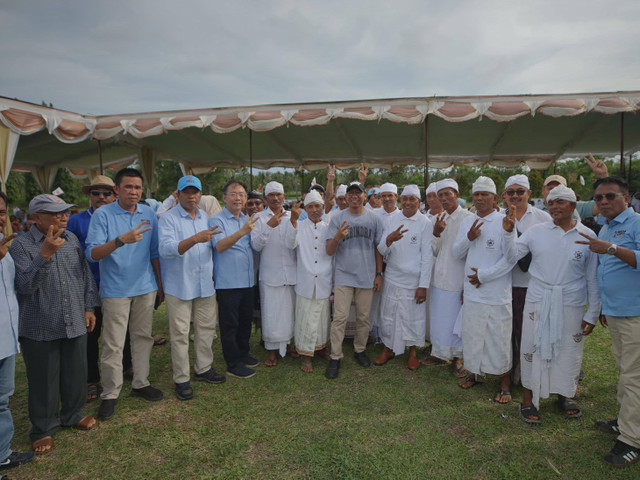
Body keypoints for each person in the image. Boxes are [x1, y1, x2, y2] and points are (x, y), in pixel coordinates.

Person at [10, 194, 99, 453]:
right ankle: (43, 428)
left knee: (75, 373)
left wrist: (88, 307)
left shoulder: (71, 240)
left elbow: (84, 276)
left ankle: (72, 414)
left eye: (66, 212)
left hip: (74, 318)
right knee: (43, 380)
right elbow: (25, 287)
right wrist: (45, 255)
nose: (63, 217)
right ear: (35, 217)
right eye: (55, 213)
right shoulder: (22, 245)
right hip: (40, 324)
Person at [513, 185, 600, 424]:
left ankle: (565, 394)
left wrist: (592, 312)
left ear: (573, 206)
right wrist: (507, 232)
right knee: (531, 348)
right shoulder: (536, 232)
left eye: (560, 202)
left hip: (571, 300)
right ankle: (528, 399)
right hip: (539, 298)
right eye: (550, 202)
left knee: (568, 349)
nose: (554, 207)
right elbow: (511, 255)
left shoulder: (587, 236)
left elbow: (592, 276)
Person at [86, 167, 164, 421]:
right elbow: (92, 253)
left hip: (145, 287)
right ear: (116, 190)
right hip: (115, 289)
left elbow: (154, 253)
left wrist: (160, 285)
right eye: (128, 187)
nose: (133, 191)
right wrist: (120, 240)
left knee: (142, 338)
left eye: (137, 187)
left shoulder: (149, 213)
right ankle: (110, 393)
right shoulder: (103, 214)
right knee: (113, 343)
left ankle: (140, 383)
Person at [575, 176, 640, 468]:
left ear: (626, 198)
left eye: (610, 196)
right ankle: (626, 420)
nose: (603, 202)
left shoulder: (636, 224)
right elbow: (604, 272)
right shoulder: (606, 227)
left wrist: (612, 249)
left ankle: (631, 440)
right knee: (625, 370)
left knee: (634, 376)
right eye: (598, 197)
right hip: (616, 312)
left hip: (635, 313)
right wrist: (602, 307)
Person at [159, 175, 225, 400]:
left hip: (205, 284)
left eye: (195, 192)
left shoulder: (205, 216)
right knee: (180, 334)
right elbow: (166, 249)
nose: (191, 196)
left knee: (206, 330)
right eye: (186, 192)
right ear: (177, 194)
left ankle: (204, 368)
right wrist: (195, 239)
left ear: (200, 194)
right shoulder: (168, 219)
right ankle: (181, 379)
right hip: (179, 286)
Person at [66, 174, 131, 403]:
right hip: (89, 284)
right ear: (89, 196)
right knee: (92, 335)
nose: (101, 197)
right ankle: (91, 379)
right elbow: (71, 253)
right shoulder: (76, 221)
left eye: (106, 193)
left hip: (119, 283)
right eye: (96, 193)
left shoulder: (122, 217)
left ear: (114, 193)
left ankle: (126, 368)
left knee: (124, 332)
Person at [452, 176, 517, 390]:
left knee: (498, 338)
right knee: (473, 336)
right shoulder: (467, 221)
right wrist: (469, 238)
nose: (479, 198)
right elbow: (456, 253)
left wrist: (484, 276)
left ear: (495, 198)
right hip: (472, 292)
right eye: (476, 194)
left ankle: (504, 383)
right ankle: (475, 374)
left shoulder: (504, 221)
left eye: (484, 195)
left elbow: (510, 259)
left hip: (496, 293)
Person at [496, 174, 551, 404]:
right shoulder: (495, 218)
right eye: (511, 192)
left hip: (529, 287)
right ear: (504, 195)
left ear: (529, 193)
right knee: (504, 336)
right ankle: (505, 381)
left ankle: (529, 378)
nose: (515, 196)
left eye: (520, 191)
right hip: (500, 286)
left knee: (529, 336)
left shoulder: (543, 219)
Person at [325, 181, 384, 379]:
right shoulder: (337, 217)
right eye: (350, 193)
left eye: (357, 193)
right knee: (340, 317)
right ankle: (335, 355)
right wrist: (337, 237)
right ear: (347, 196)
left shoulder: (374, 219)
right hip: (343, 274)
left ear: (364, 195)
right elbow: (329, 250)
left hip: (367, 275)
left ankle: (359, 349)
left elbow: (378, 248)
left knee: (363, 317)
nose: (354, 196)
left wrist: (378, 273)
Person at [374, 185, 434, 370]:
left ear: (419, 202)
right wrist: (389, 240)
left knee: (413, 317)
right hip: (393, 277)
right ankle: (388, 348)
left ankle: (413, 352)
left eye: (412, 199)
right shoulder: (392, 220)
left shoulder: (425, 222)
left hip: (414, 280)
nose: (408, 203)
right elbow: (381, 250)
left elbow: (427, 256)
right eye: (405, 199)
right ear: (401, 200)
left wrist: (423, 285)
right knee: (389, 315)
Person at [422, 179, 472, 378]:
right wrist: (436, 233)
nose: (443, 198)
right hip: (439, 277)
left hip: (458, 278)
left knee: (456, 321)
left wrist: (466, 284)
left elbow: (470, 253)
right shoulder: (438, 218)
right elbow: (433, 250)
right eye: (439, 195)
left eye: (447, 194)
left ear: (457, 195)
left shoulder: (468, 218)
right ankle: (440, 353)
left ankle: (458, 358)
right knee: (439, 319)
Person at [0, 192, 35, 471]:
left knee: (2, 401)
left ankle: (2, 454)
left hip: (6, 339)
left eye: (1, 211)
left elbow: (19, 287)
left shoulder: (6, 248)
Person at [210, 179, 258, 378]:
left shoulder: (246, 219)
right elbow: (219, 246)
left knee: (246, 320)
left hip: (247, 281)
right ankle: (232, 363)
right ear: (224, 197)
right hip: (228, 282)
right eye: (233, 194)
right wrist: (242, 232)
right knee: (230, 324)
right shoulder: (217, 220)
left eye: (241, 194)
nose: (238, 198)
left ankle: (243, 352)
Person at [285, 190, 333, 372]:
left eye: (317, 206)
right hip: (305, 280)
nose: (314, 210)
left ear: (322, 207)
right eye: (310, 206)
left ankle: (321, 348)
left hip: (324, 279)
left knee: (322, 318)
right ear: (305, 208)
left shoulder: (329, 227)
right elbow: (290, 244)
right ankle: (306, 355)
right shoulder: (299, 225)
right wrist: (293, 221)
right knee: (305, 318)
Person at [251, 181, 297, 366]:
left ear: (284, 197)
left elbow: (293, 245)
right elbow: (256, 245)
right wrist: (269, 226)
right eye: (272, 195)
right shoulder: (258, 218)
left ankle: (289, 343)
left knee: (289, 312)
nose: (276, 198)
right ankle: (271, 350)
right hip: (270, 275)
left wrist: (293, 222)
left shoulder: (291, 217)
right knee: (271, 314)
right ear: (265, 198)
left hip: (290, 274)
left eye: (279, 194)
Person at [369, 182, 400, 343]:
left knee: (390, 301)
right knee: (375, 301)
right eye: (384, 196)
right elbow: (375, 244)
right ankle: (374, 333)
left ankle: (389, 334)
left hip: (395, 265)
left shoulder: (402, 216)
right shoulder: (374, 214)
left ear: (396, 197)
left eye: (390, 195)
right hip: (377, 264)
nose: (387, 199)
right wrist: (378, 272)